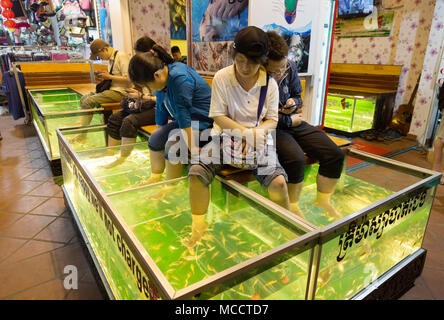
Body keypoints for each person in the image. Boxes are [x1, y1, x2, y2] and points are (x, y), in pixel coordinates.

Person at [187, 26, 290, 247]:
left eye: (252, 63)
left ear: (262, 60)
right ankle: (197, 229)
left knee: (279, 183)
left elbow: (272, 119)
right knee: (196, 172)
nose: (244, 67)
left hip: (258, 136)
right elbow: (218, 115)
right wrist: (244, 135)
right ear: (234, 55)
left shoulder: (269, 85)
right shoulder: (222, 77)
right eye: (240, 60)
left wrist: (254, 135)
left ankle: (286, 231)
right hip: (224, 135)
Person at [265, 31, 344, 219]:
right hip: (272, 128)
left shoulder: (290, 66)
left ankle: (323, 200)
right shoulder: (256, 75)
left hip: (293, 121)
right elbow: (260, 117)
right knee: (296, 159)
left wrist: (294, 102)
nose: (278, 74)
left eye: (282, 69)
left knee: (334, 155)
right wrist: (288, 120)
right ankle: (292, 206)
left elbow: (298, 97)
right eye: (273, 71)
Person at [128, 45, 213, 184]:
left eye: (147, 86)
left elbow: (183, 114)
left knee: (174, 143)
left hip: (205, 123)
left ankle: (170, 186)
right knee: (155, 138)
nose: (148, 90)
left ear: (157, 74)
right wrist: (160, 130)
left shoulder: (179, 77)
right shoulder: (163, 77)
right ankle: (155, 176)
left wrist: (192, 148)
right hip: (185, 122)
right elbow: (161, 108)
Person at [104, 37, 159, 167]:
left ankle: (123, 158)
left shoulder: (159, 68)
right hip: (145, 102)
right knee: (115, 117)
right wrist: (137, 94)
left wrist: (144, 96)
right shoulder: (142, 68)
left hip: (157, 106)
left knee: (129, 121)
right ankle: (110, 152)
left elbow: (163, 98)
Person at [73, 39, 130, 143]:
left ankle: (82, 134)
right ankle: (82, 129)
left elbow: (129, 79)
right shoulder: (111, 59)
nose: (100, 58)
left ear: (105, 49)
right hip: (112, 90)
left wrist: (109, 76)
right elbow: (114, 77)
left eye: (99, 55)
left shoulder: (121, 56)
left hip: (122, 92)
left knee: (88, 101)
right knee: (83, 98)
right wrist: (105, 75)